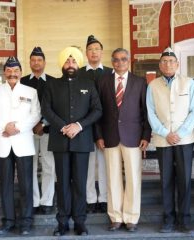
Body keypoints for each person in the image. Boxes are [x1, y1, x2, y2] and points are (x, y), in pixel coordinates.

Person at [42, 46, 102, 236]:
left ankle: (80, 222)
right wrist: (63, 126)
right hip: (60, 141)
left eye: (74, 61)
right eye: (67, 61)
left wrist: (79, 126)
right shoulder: (51, 85)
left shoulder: (88, 83)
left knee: (79, 183)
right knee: (62, 184)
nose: (70, 64)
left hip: (82, 141)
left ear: (79, 63)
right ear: (62, 64)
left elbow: (97, 110)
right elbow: (46, 110)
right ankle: (62, 223)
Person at [95, 48, 151, 232]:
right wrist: (99, 135)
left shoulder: (140, 82)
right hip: (109, 136)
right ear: (112, 62)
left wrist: (145, 136)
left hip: (134, 137)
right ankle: (116, 217)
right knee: (112, 178)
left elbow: (146, 112)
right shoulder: (102, 82)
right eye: (116, 60)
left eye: (123, 59)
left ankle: (131, 217)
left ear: (129, 61)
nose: (120, 63)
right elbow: (97, 111)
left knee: (134, 179)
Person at [0, 56, 41, 236]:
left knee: (26, 185)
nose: (12, 73)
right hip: (2, 142)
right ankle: (8, 221)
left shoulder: (31, 91)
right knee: (6, 185)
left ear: (21, 72)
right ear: (4, 73)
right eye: (9, 70)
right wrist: (4, 127)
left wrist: (16, 128)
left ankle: (26, 222)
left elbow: (35, 115)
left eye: (15, 70)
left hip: (22, 142)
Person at [146, 47, 194, 233]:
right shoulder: (152, 86)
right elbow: (150, 112)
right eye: (164, 61)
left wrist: (181, 132)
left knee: (185, 181)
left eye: (171, 61)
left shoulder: (189, 83)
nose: (168, 64)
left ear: (177, 64)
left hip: (184, 140)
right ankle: (168, 219)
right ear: (160, 65)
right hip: (163, 140)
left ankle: (184, 220)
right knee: (166, 181)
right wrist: (164, 132)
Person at [78, 35, 112, 214]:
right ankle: (90, 199)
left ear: (101, 52)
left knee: (105, 164)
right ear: (86, 53)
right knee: (88, 165)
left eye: (97, 49)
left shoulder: (110, 72)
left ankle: (105, 198)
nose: (94, 52)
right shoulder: (79, 73)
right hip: (85, 126)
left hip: (106, 126)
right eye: (90, 49)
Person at [20, 47, 56, 215]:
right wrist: (32, 125)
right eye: (33, 60)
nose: (36, 63)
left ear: (44, 63)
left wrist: (43, 124)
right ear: (30, 62)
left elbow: (57, 108)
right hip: (27, 132)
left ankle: (47, 201)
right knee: (31, 167)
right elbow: (18, 108)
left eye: (39, 60)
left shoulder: (54, 82)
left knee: (49, 165)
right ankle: (34, 201)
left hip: (48, 131)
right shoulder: (22, 82)